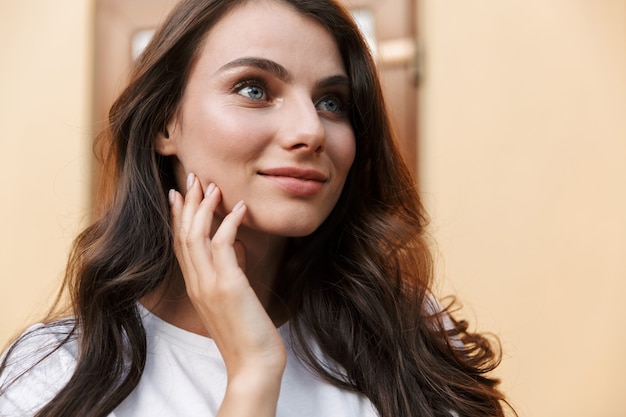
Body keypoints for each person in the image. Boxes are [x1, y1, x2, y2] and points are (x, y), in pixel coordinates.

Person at [0, 0, 514, 416]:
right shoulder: (57, 374)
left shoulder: (409, 334)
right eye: (253, 89)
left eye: (331, 101)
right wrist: (252, 374)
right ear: (164, 125)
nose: (310, 131)